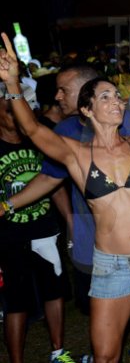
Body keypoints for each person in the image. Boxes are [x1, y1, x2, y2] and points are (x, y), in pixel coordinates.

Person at [0, 15, 130, 363]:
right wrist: (12, 83)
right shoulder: (76, 155)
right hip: (113, 267)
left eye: (118, 95)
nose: (117, 100)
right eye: (105, 97)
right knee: (105, 355)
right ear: (87, 110)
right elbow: (33, 132)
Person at [0, 90, 73, 363]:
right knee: (16, 302)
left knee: (54, 291)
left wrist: (70, 221)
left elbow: (54, 186)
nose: (17, 118)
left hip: (44, 229)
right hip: (8, 235)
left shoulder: (38, 143)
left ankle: (58, 351)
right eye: (9, 112)